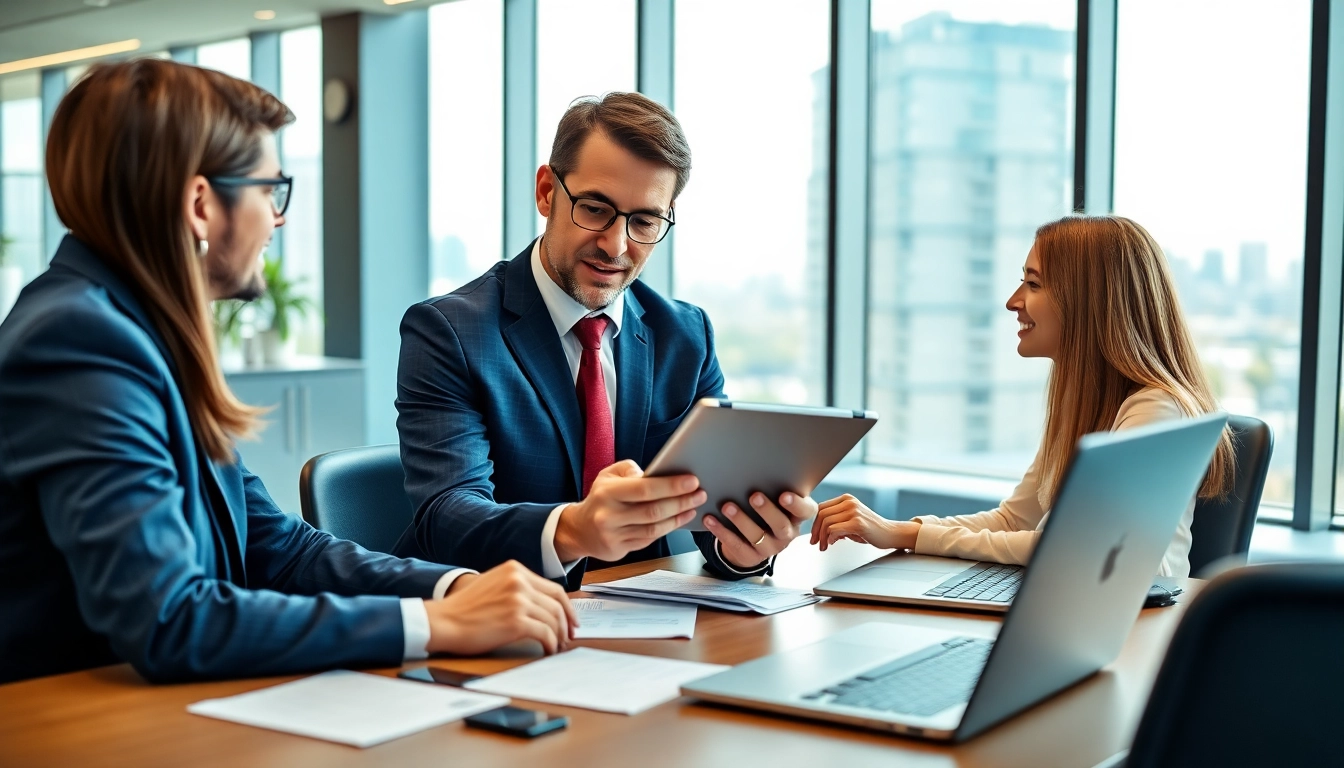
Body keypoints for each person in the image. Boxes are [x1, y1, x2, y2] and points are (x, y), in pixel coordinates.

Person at [0, 59, 576, 686]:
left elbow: (278, 549)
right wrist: (437, 626)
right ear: (201, 206)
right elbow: (170, 619)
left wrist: (455, 589)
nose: (278, 218)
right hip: (77, 717)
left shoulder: (141, 330)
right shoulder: (81, 341)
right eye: (269, 190)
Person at [394, 92, 817, 589]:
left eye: (644, 222)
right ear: (547, 192)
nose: (616, 245)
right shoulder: (449, 331)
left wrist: (743, 549)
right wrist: (575, 530)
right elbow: (447, 516)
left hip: (644, 617)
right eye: (595, 209)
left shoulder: (686, 336)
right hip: (500, 610)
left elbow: (714, 516)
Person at [811, 215, 1234, 578]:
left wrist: (905, 534)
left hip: (1139, 629)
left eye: (1033, 284)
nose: (1013, 302)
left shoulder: (1157, 409)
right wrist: (895, 528)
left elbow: (1068, 547)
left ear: (1087, 302)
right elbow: (1013, 520)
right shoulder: (1083, 405)